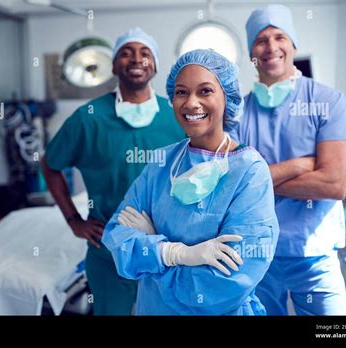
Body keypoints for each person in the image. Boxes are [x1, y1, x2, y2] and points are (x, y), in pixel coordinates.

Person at [102, 49, 280, 315]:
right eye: (181, 92)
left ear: (227, 97)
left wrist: (153, 252)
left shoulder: (249, 171)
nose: (191, 103)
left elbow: (229, 281)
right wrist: (176, 253)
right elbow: (117, 235)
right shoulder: (162, 162)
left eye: (205, 91)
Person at [229, 4, 346, 315]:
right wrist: (301, 165)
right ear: (251, 52)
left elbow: (334, 184)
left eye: (279, 37)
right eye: (261, 40)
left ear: (293, 44)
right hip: (256, 254)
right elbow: (234, 185)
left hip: (314, 254)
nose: (271, 47)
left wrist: (259, 180)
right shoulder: (237, 115)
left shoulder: (328, 101)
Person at [41, 27, 184, 315]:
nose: (136, 59)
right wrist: (73, 220)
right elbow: (49, 164)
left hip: (167, 248)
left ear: (154, 65)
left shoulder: (177, 116)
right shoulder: (89, 118)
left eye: (145, 53)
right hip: (109, 252)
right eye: (126, 53)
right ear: (114, 65)